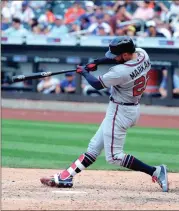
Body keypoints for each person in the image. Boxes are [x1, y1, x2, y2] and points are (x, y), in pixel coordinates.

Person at [40, 36, 169, 192]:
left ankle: (155, 171)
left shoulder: (121, 72)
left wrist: (84, 72)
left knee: (114, 157)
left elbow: (96, 84)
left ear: (126, 55)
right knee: (94, 147)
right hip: (130, 108)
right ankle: (66, 176)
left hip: (120, 112)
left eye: (116, 55)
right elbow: (119, 60)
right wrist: (98, 62)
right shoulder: (142, 54)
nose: (114, 58)